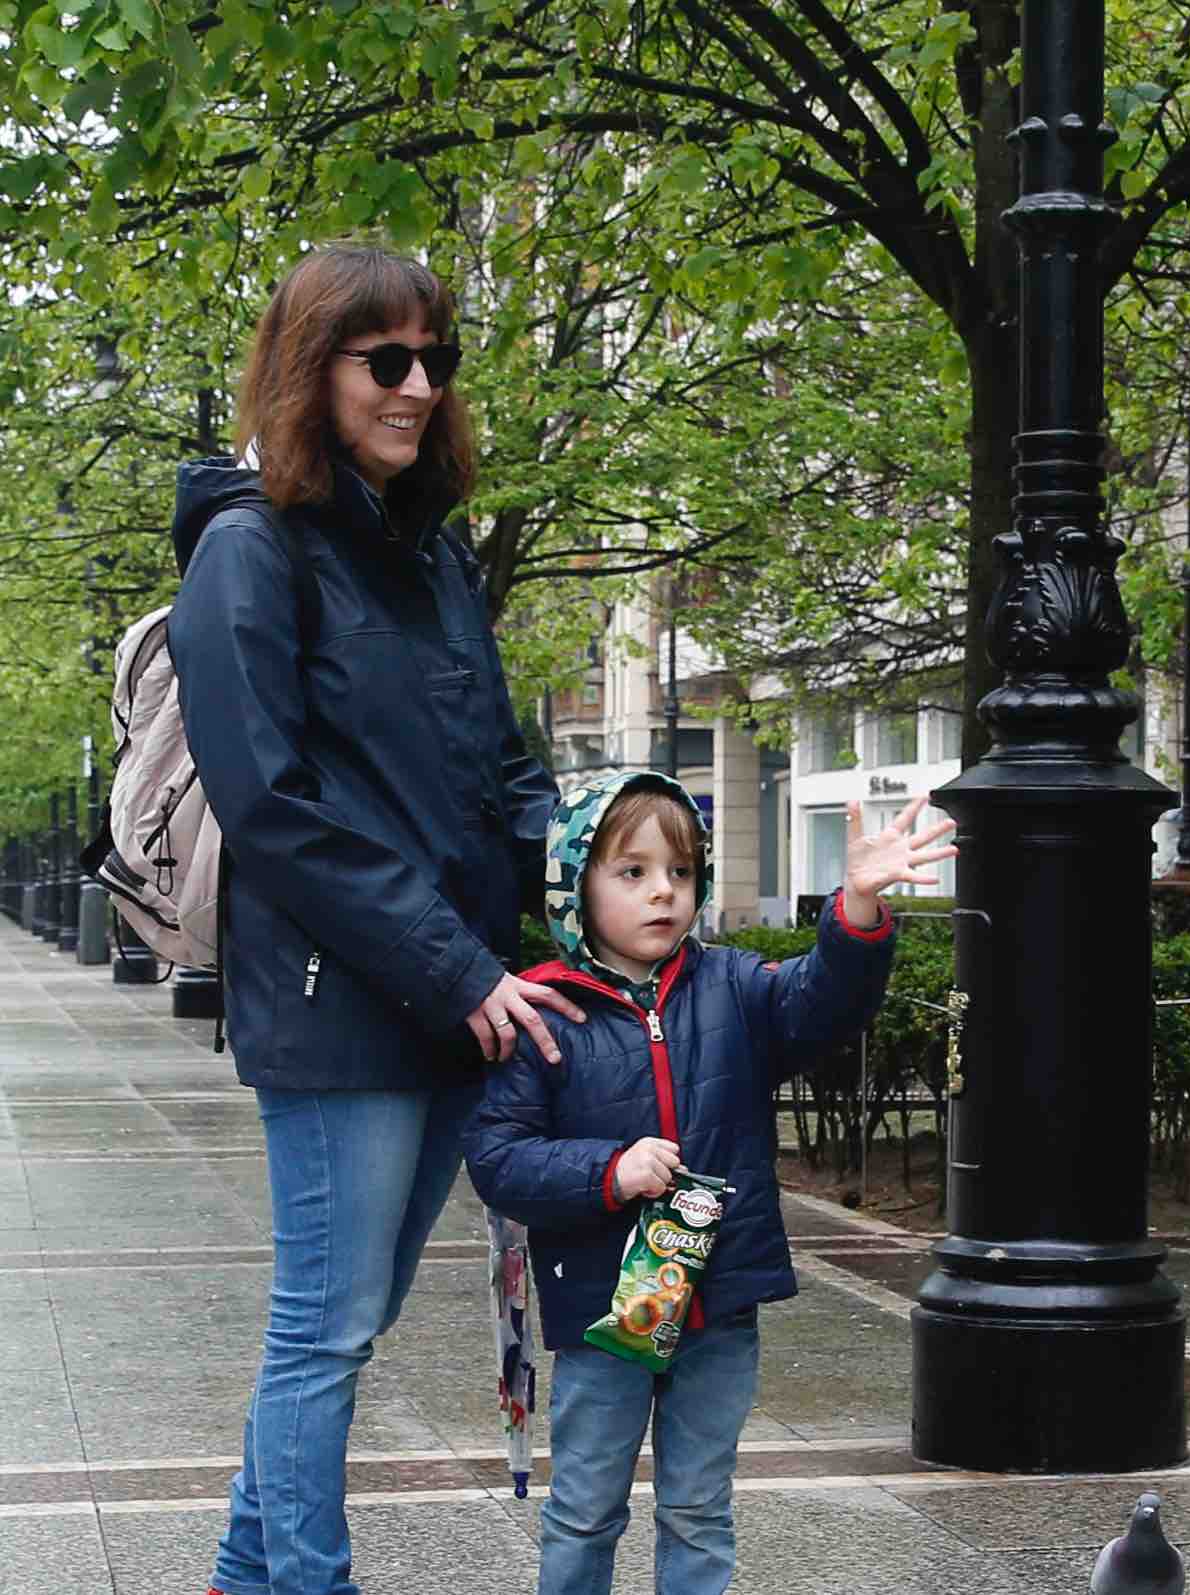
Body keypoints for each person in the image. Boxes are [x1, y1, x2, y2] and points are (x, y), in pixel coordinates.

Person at [177, 244, 572, 1595]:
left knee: (353, 1318)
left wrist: (596, 849)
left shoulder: (434, 551)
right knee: (326, 1327)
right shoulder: (247, 549)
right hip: (341, 1003)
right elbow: (274, 806)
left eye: (435, 360)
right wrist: (454, 959)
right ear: (312, 368)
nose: (416, 387)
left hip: (457, 1000)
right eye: (383, 359)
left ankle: (245, 1566)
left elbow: (497, 766)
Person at [466, 772, 954, 1595]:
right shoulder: (544, 1012)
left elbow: (821, 1001)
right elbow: (498, 1158)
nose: (664, 890)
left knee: (698, 1507)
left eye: (681, 871)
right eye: (633, 872)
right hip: (599, 1314)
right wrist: (608, 1171)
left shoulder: (735, 986)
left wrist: (858, 911)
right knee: (585, 1506)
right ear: (574, 884)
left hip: (718, 1304)